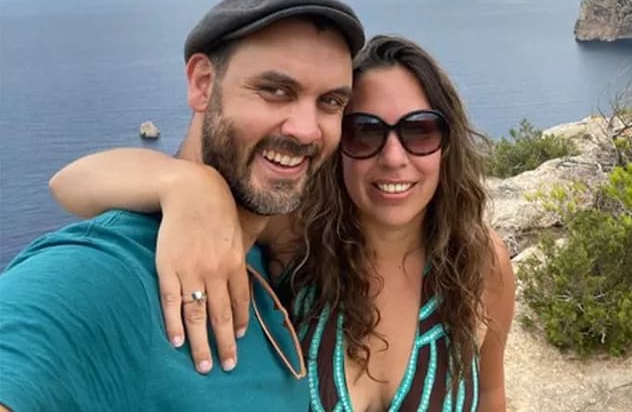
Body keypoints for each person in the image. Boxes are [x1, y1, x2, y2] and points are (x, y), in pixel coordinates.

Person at [49, 35, 516, 411]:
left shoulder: (478, 265)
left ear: (446, 143)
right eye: (364, 131)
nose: (394, 158)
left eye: (419, 130)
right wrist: (186, 183)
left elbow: (491, 397)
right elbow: (70, 183)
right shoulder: (297, 235)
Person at [0, 0, 366, 411]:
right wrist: (184, 183)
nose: (305, 130)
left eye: (330, 102)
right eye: (275, 90)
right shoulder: (101, 273)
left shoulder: (273, 249)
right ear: (203, 83)